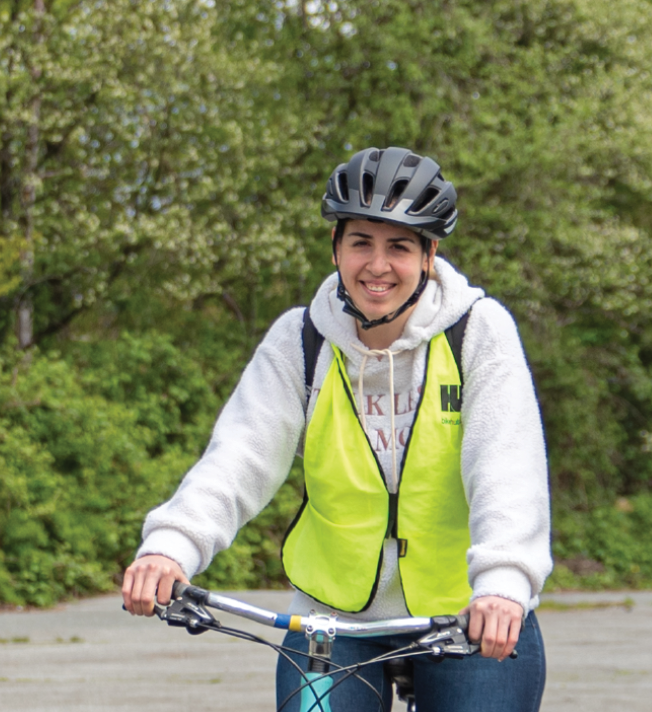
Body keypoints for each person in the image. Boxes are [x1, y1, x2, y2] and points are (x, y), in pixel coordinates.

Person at [116, 147, 555, 712]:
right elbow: (237, 458)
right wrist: (170, 549)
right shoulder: (301, 340)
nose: (378, 265)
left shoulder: (477, 332)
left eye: (399, 245)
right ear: (335, 249)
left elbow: (506, 466)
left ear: (429, 255)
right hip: (332, 622)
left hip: (468, 616)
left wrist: (502, 583)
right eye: (360, 243)